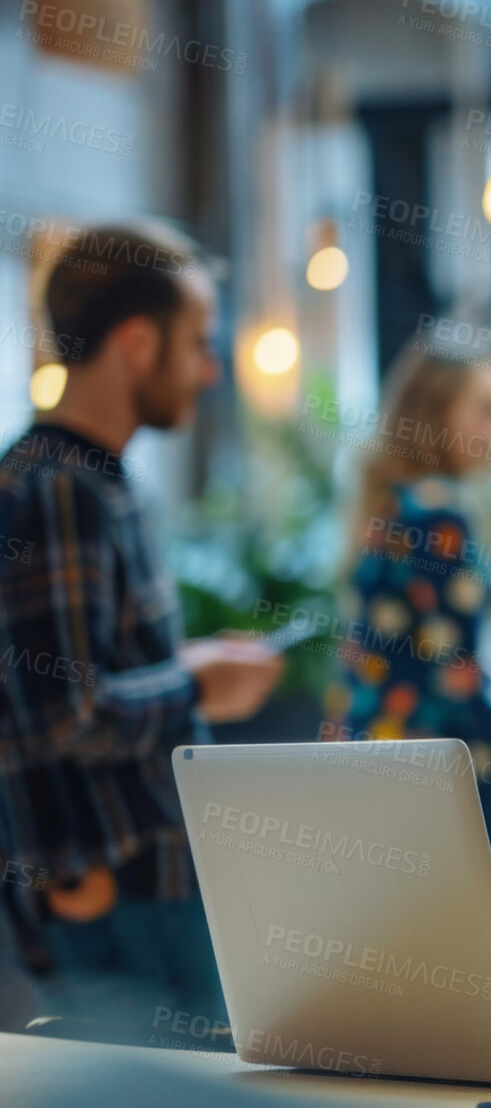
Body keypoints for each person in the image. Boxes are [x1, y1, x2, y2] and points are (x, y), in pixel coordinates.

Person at [0, 223, 283, 1029]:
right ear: (135, 343)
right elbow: (69, 712)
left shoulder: (89, 483)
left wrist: (191, 662)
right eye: (198, 342)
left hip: (140, 884)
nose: (209, 369)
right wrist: (198, 681)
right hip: (113, 895)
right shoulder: (62, 492)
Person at [319, 336, 491, 972]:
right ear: (432, 410)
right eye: (485, 409)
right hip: (441, 767)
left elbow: (415, 659)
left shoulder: (392, 502)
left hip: (378, 763)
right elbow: (457, 678)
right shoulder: (437, 513)